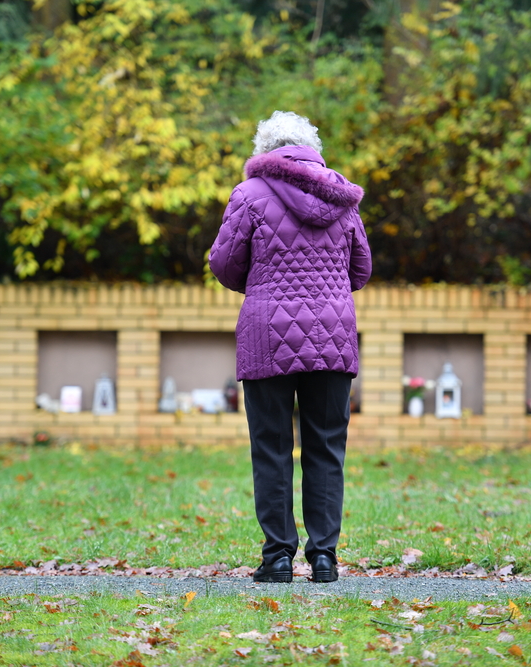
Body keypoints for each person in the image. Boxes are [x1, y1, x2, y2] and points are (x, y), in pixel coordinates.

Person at [209, 110, 371, 583]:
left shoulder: (249, 195)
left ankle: (278, 558)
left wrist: (261, 284)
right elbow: (360, 269)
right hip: (332, 336)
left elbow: (223, 263)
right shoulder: (341, 196)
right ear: (311, 150)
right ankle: (324, 558)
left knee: (272, 447)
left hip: (267, 336)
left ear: (265, 150)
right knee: (326, 447)